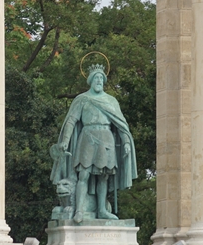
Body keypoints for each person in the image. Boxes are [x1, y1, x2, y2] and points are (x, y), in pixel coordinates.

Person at [50, 64, 137, 223]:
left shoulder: (111, 101)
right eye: (96, 78)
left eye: (101, 78)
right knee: (84, 174)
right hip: (87, 137)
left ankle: (102, 210)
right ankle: (79, 210)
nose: (99, 81)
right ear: (90, 80)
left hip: (106, 138)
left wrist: (125, 142)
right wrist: (65, 140)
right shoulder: (82, 99)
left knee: (103, 176)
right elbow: (71, 120)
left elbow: (121, 124)